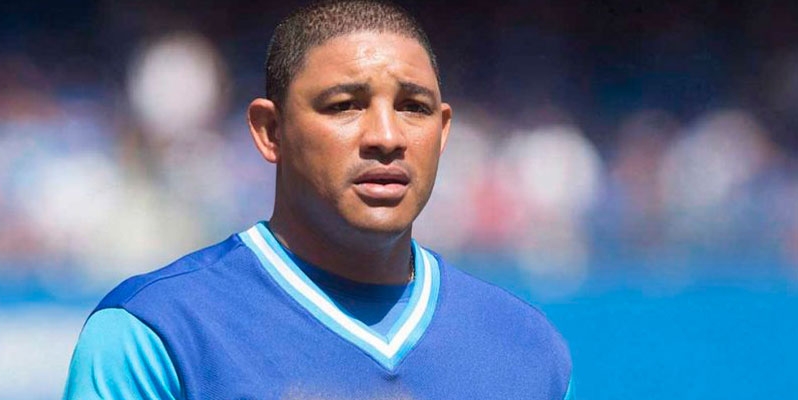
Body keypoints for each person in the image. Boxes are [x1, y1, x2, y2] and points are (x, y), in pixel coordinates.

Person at [63, 1, 574, 399]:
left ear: (442, 133)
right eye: (345, 105)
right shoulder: (160, 334)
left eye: (413, 107)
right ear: (270, 131)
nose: (387, 136)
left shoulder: (528, 348)